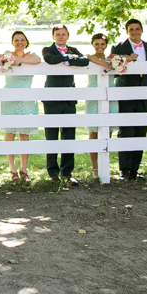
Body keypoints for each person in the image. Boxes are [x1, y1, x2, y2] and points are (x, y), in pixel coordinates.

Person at [111, 18, 147, 182]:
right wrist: (126, 58)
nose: (135, 32)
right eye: (131, 30)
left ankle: (135, 169)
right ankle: (125, 170)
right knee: (126, 132)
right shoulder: (119, 47)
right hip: (126, 94)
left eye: (137, 29)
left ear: (142, 30)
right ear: (127, 31)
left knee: (141, 133)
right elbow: (114, 68)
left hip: (144, 96)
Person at [41, 25, 89, 185]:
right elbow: (50, 59)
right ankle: (53, 171)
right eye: (58, 34)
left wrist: (71, 56)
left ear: (68, 35)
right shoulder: (47, 49)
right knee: (52, 135)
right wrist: (68, 58)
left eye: (63, 34)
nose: (61, 37)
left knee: (69, 134)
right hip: (52, 98)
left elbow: (84, 61)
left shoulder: (74, 49)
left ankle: (67, 171)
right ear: (53, 36)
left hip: (69, 98)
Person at [0, 30, 41, 184]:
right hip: (10, 96)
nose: (19, 42)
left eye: (22, 39)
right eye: (16, 40)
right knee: (10, 134)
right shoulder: (7, 54)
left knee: (24, 134)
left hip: (26, 98)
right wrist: (14, 59)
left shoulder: (32, 55)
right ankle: (13, 170)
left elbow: (38, 60)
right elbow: (5, 59)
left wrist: (19, 60)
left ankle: (24, 169)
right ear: (12, 42)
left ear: (26, 41)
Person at [86, 33, 120, 180]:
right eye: (97, 44)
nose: (99, 47)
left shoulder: (114, 59)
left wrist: (113, 61)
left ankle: (104, 165)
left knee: (108, 132)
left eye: (102, 44)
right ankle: (95, 167)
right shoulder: (90, 58)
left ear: (106, 45)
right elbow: (91, 57)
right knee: (93, 133)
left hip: (110, 96)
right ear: (93, 44)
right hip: (94, 95)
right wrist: (108, 64)